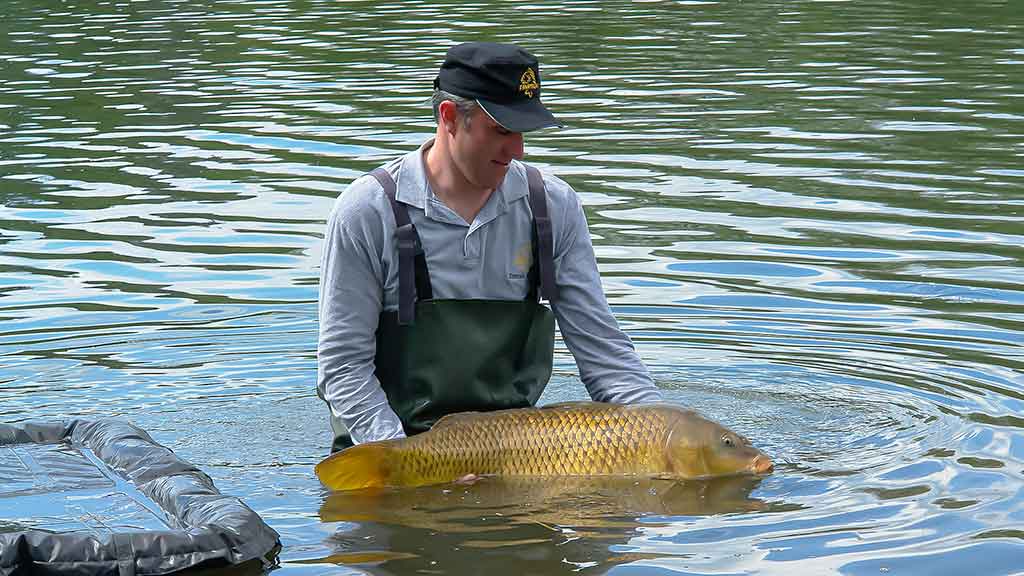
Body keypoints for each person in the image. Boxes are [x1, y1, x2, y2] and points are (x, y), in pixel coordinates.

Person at [317, 41, 662, 452]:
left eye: (523, 132)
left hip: (513, 456)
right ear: (449, 117)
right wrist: (404, 462)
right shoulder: (367, 211)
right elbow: (343, 367)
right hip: (388, 450)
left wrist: (662, 436)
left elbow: (604, 353)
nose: (517, 150)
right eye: (501, 130)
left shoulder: (552, 206)